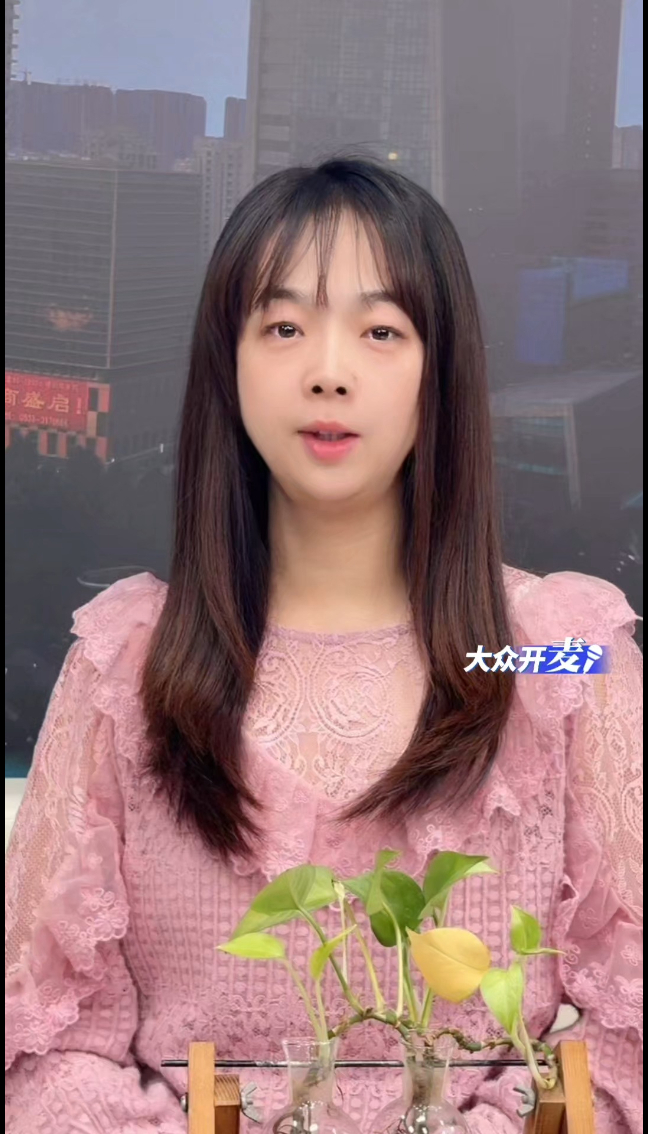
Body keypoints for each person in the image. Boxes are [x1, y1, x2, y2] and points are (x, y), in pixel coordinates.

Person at [5, 157, 642, 1133]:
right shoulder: (124, 667)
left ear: (441, 370)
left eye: (381, 331)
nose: (328, 371)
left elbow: (631, 1033)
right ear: (228, 366)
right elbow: (42, 1046)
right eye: (284, 327)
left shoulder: (558, 653)